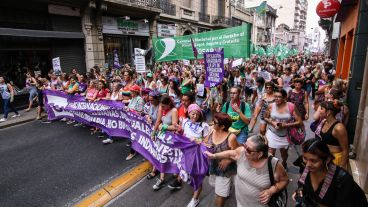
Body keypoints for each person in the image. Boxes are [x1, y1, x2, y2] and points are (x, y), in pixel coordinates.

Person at [205, 135, 289, 207]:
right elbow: (231, 153)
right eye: (245, 145)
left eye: (248, 150)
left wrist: (271, 191)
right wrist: (214, 156)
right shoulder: (242, 153)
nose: (244, 150)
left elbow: (284, 180)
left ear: (259, 154)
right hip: (241, 203)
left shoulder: (273, 164)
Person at [293, 138, 367, 207]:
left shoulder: (342, 180)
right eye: (305, 158)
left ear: (327, 159)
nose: (308, 165)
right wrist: (300, 191)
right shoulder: (304, 165)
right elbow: (301, 184)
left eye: (314, 161)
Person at [167, 104, 210, 207]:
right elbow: (182, 134)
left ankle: (195, 199)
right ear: (189, 113)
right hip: (185, 154)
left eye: (196, 114)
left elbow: (207, 142)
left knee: (197, 176)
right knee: (186, 173)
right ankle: (180, 182)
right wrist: (179, 130)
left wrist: (198, 140)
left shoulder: (204, 126)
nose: (194, 116)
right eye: (192, 113)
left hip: (197, 156)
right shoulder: (185, 121)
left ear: (200, 114)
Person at [204, 113, 238, 207]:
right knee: (214, 184)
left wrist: (228, 160)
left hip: (225, 169)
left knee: (220, 194)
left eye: (215, 122)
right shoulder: (212, 130)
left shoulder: (231, 137)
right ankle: (228, 187)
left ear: (222, 126)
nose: (212, 123)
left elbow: (237, 153)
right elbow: (205, 142)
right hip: (213, 166)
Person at [264, 88, 303, 168]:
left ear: (284, 98)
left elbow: (299, 121)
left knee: (283, 153)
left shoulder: (291, 106)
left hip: (286, 135)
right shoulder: (271, 106)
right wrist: (273, 122)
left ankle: (284, 162)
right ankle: (273, 166)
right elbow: (265, 117)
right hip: (272, 133)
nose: (276, 98)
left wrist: (285, 125)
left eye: (279, 97)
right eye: (275, 96)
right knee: (271, 151)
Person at [150, 95, 179, 190]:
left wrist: (164, 126)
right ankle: (162, 178)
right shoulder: (162, 109)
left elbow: (175, 127)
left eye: (163, 106)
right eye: (161, 106)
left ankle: (174, 174)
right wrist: (153, 133)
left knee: (169, 158)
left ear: (169, 104)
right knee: (161, 156)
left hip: (170, 139)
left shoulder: (174, 111)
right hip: (162, 137)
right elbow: (158, 121)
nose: (161, 108)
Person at [314, 101, 349, 169]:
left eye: (321, 109)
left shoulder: (339, 128)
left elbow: (345, 149)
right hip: (325, 158)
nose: (319, 111)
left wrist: (341, 168)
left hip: (335, 160)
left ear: (329, 112)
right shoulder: (324, 122)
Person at [125, 85, 144, 160]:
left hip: (137, 121)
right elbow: (129, 107)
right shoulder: (133, 98)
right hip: (131, 120)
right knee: (134, 136)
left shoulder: (140, 100)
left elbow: (140, 112)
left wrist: (130, 110)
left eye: (132, 91)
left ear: (136, 92)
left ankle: (132, 152)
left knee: (134, 136)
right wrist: (127, 108)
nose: (130, 92)